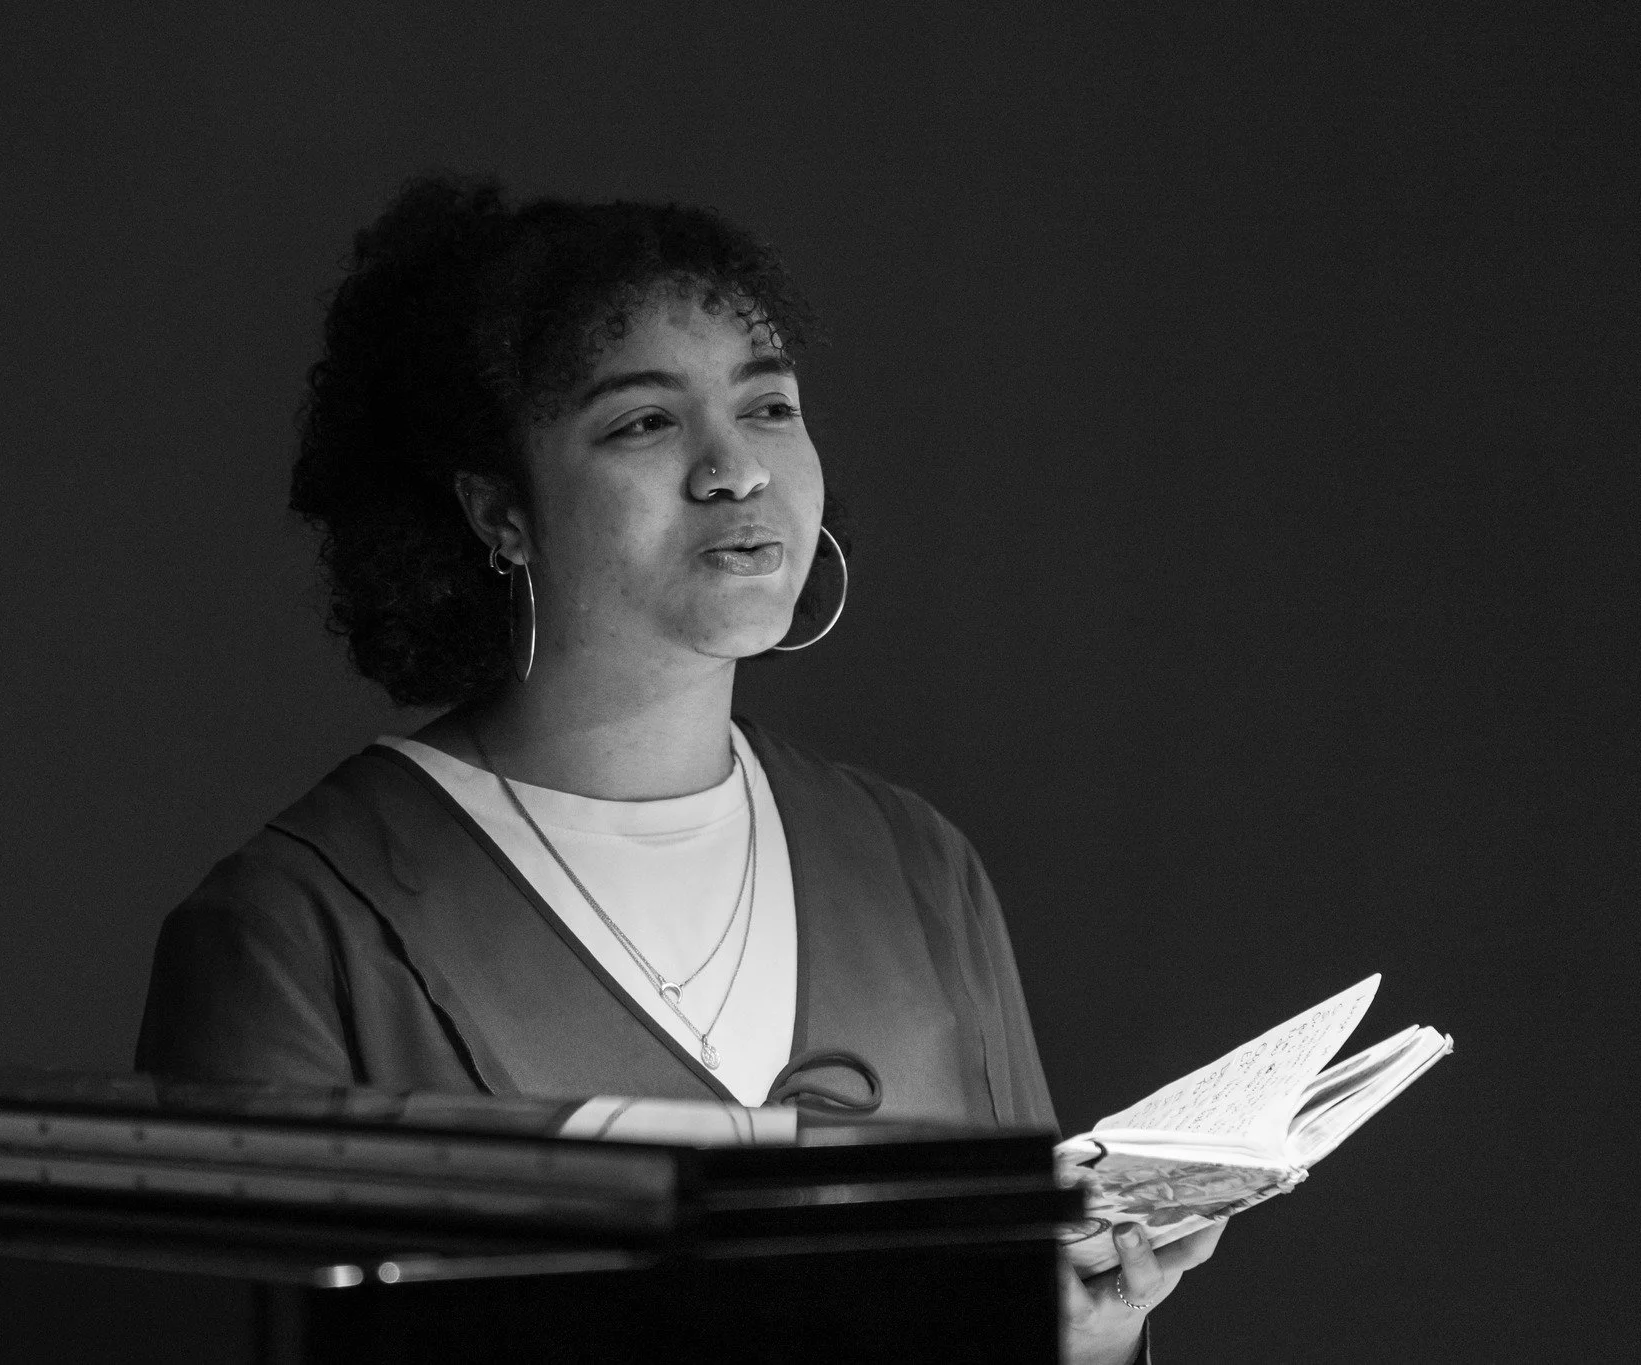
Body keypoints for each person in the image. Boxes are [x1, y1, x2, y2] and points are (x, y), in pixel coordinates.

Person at [133, 175, 1220, 1363]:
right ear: (496, 512)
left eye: (768, 407)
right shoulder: (296, 931)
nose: (734, 470)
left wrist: (1082, 1338)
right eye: (643, 423)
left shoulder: (911, 868)